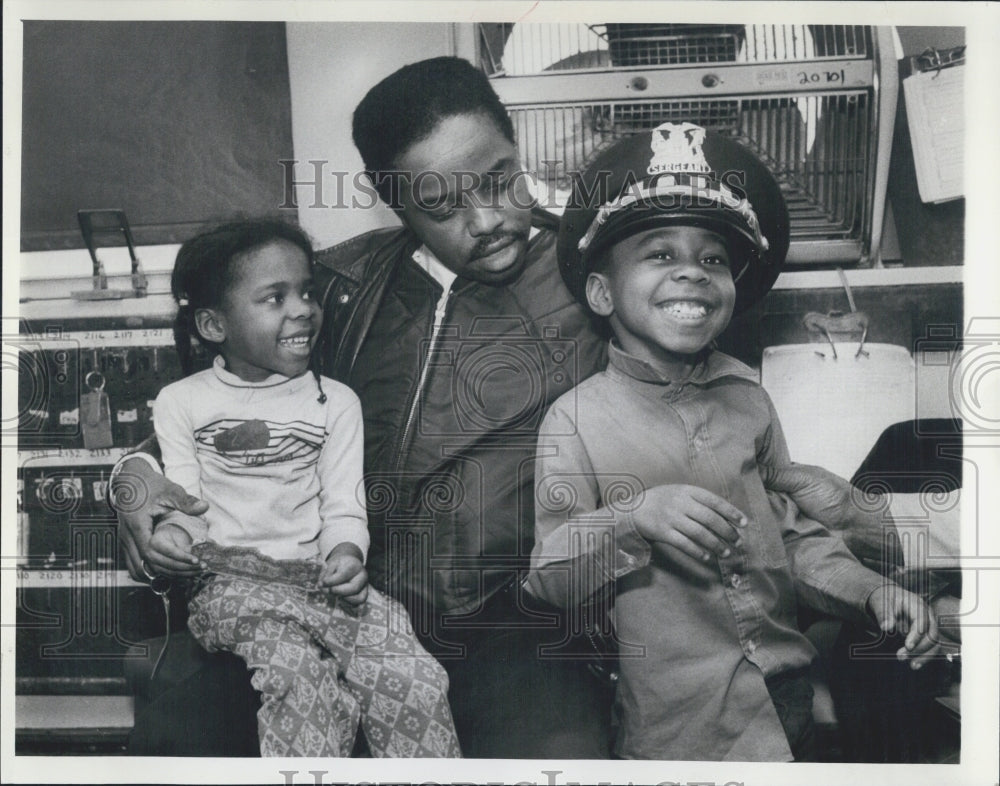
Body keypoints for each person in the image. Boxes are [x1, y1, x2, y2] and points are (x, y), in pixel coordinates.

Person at [110, 57, 900, 758]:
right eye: (441, 206)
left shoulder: (598, 271)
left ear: (517, 148)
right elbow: (203, 417)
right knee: (181, 738)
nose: (487, 220)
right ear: (393, 205)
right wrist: (136, 488)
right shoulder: (340, 287)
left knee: (559, 758)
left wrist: (849, 535)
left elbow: (711, 412)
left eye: (498, 179)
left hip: (515, 626)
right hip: (333, 598)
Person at [525, 122, 941, 761]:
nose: (692, 272)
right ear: (602, 292)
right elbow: (546, 581)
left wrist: (870, 591)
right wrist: (635, 520)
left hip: (787, 698)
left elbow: (792, 540)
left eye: (712, 258)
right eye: (660, 254)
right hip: (675, 726)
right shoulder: (573, 421)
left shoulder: (749, 398)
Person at [147, 219, 461, 757]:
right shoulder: (182, 401)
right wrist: (173, 532)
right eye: (274, 297)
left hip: (318, 582)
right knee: (299, 681)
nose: (302, 309)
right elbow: (185, 496)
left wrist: (347, 553)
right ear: (213, 324)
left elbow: (344, 503)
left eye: (307, 291)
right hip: (230, 584)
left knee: (413, 677)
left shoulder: (336, 401)